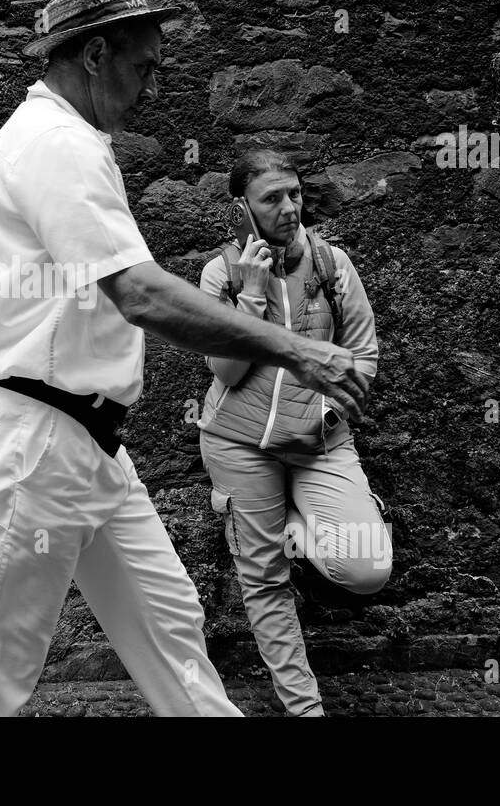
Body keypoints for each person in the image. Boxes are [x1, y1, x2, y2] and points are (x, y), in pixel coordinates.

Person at [0, 0, 369, 717]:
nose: (152, 88)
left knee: (171, 634)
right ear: (95, 54)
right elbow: (141, 293)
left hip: (88, 444)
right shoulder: (54, 145)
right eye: (145, 67)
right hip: (39, 445)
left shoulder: (68, 141)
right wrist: (297, 348)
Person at [197, 149, 391, 717]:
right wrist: (252, 294)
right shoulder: (221, 274)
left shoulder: (333, 265)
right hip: (238, 443)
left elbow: (365, 355)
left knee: (366, 569)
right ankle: (305, 709)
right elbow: (227, 372)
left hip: (319, 444)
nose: (288, 207)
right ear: (243, 208)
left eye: (295, 194)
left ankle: (302, 529)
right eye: (271, 198)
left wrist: (326, 413)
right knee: (263, 581)